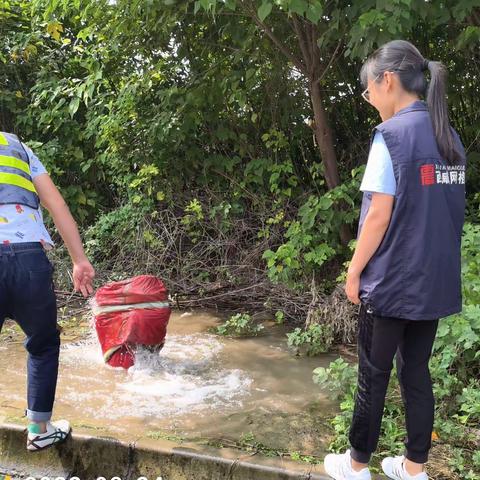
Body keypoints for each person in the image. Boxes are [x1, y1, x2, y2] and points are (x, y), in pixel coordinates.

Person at [323, 40, 466, 480]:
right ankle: (413, 468)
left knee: (373, 373)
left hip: (392, 282)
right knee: (416, 373)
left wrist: (353, 271)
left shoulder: (393, 137)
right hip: (434, 280)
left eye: (369, 92)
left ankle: (357, 465)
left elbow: (379, 215)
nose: (370, 102)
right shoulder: (450, 138)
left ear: (387, 80)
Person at [0, 131, 95, 451]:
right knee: (42, 344)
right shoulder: (19, 148)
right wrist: (79, 260)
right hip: (29, 258)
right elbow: (56, 203)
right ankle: (39, 428)